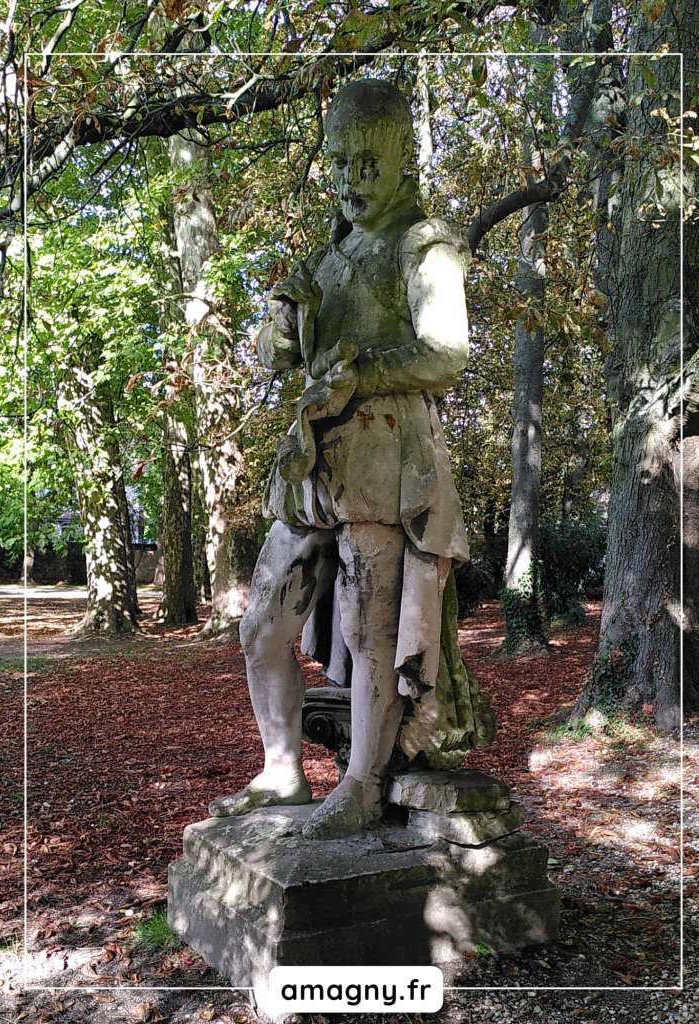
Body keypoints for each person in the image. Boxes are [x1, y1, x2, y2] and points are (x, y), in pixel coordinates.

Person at [209, 78, 474, 839]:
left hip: (388, 460)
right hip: (313, 465)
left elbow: (446, 353)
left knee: (370, 631)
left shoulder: (424, 245)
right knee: (262, 622)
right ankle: (283, 768)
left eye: (368, 162)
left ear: (401, 158)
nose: (351, 180)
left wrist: (363, 372)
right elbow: (274, 360)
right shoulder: (325, 259)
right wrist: (281, 321)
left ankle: (361, 782)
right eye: (340, 163)